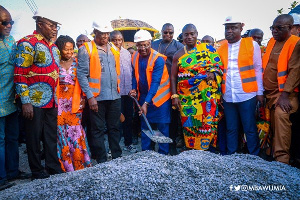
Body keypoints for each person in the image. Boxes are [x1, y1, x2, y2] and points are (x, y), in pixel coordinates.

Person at [14, 9, 63, 180]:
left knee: (50, 135)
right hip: (34, 101)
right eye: (51, 25)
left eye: (56, 25)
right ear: (40, 24)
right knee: (33, 137)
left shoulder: (54, 48)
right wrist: (25, 102)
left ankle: (52, 167)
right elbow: (20, 74)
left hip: (51, 101)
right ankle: (37, 171)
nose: (55, 29)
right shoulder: (28, 43)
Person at [170, 24, 223, 150]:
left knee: (207, 122)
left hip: (206, 96)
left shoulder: (208, 50)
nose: (189, 37)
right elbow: (173, 77)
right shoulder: (178, 55)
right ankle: (191, 149)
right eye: (186, 34)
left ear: (197, 34)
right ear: (182, 36)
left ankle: (207, 149)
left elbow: (218, 66)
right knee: (190, 124)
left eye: (192, 34)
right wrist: (174, 96)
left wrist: (213, 73)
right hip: (186, 97)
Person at [217, 16, 263, 156]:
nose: (229, 31)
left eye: (233, 28)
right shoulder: (222, 47)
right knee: (231, 128)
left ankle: (254, 156)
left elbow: (258, 69)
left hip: (247, 94)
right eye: (227, 28)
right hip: (228, 95)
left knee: (249, 127)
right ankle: (232, 156)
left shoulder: (252, 45)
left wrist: (260, 92)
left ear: (241, 28)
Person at [77, 21, 122, 163]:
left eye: (107, 33)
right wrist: (90, 97)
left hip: (114, 96)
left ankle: (117, 157)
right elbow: (81, 75)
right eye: (102, 33)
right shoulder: (86, 49)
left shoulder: (113, 48)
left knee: (114, 128)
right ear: (95, 32)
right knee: (97, 130)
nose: (105, 36)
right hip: (97, 98)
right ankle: (102, 161)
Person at [262, 14, 300, 165]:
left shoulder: (296, 43)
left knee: (280, 114)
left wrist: (284, 94)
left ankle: (282, 160)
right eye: (273, 28)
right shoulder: (271, 42)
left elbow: (295, 71)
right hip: (269, 93)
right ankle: (270, 153)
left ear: (291, 28)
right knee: (269, 122)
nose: (274, 31)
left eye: (279, 28)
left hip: (286, 94)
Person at [0, 6, 30, 191]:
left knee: (12, 138)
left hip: (11, 101)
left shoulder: (12, 41)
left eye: (11, 22)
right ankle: (1, 177)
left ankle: (12, 172)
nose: (9, 25)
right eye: (5, 22)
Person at [129, 30, 171, 155]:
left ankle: (164, 155)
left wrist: (146, 103)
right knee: (145, 126)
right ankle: (146, 155)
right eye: (139, 45)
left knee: (162, 127)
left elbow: (155, 82)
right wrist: (134, 89)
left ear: (150, 43)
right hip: (143, 96)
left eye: (145, 45)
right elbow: (134, 75)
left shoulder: (158, 59)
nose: (142, 48)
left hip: (160, 98)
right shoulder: (135, 56)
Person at [55, 35, 92, 172]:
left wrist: (84, 99)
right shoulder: (54, 64)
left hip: (75, 102)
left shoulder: (78, 63)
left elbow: (83, 82)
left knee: (75, 132)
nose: (69, 52)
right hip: (59, 104)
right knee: (61, 134)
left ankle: (79, 163)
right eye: (66, 49)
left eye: (71, 49)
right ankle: (66, 166)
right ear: (59, 50)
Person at [152, 23, 184, 155]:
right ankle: (154, 143)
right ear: (162, 32)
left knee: (172, 117)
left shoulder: (179, 46)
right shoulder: (154, 44)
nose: (168, 35)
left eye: (171, 33)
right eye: (165, 32)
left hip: (172, 85)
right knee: (156, 115)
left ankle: (171, 145)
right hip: (155, 84)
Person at [110, 30, 137, 153]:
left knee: (129, 118)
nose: (117, 42)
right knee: (116, 121)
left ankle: (128, 143)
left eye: (119, 39)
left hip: (128, 92)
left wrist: (133, 88)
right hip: (116, 93)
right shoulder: (108, 53)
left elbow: (132, 72)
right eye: (114, 40)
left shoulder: (127, 53)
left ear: (123, 41)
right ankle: (114, 147)